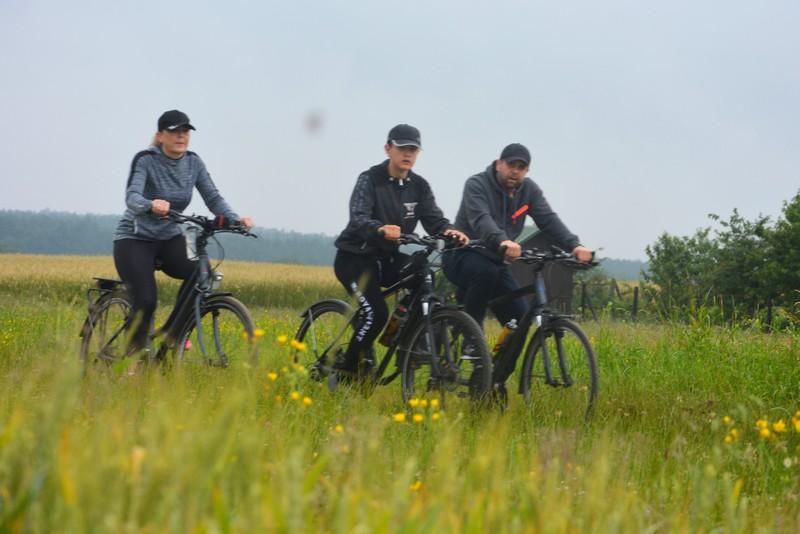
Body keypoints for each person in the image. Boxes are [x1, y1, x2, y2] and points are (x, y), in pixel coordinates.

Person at [113, 109, 253, 359]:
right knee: (146, 300)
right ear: (160, 135)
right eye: (174, 131)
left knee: (201, 273)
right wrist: (150, 204)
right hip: (135, 238)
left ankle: (172, 337)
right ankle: (132, 362)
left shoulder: (193, 163)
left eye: (185, 131)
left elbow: (213, 197)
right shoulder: (145, 159)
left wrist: (235, 219)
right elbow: (132, 197)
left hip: (168, 236)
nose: (181, 136)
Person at [332, 124, 468, 382]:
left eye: (413, 150)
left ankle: (406, 344)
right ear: (388, 149)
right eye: (402, 148)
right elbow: (358, 217)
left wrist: (450, 232)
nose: (408, 154)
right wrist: (380, 228)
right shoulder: (369, 179)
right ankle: (347, 370)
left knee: (424, 277)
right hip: (355, 259)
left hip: (386, 259)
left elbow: (434, 220)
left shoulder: (419, 186)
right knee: (376, 314)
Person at [443, 142, 592, 330]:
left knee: (521, 320)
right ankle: (471, 336)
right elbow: (481, 219)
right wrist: (502, 240)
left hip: (496, 260)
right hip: (462, 254)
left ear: (527, 171)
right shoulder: (477, 184)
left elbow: (548, 219)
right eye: (511, 165)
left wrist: (575, 245)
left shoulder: (529, 191)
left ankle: (500, 351)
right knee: (485, 272)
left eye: (521, 167)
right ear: (499, 164)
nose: (515, 171)